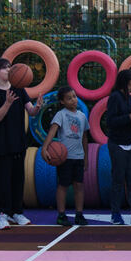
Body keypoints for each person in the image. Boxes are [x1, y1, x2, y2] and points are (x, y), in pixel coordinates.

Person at [0, 58, 40, 228]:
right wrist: (7, 103)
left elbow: (31, 111)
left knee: (18, 179)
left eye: (9, 67)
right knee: (2, 180)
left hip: (18, 142)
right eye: (4, 68)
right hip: (2, 143)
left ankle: (17, 212)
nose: (8, 70)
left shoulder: (19, 89)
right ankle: (2, 214)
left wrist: (38, 107)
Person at [41, 86, 88, 226]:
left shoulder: (82, 116)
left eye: (74, 96)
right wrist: (45, 148)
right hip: (64, 158)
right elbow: (52, 131)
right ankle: (61, 214)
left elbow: (85, 138)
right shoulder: (60, 115)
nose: (73, 100)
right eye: (69, 98)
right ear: (62, 102)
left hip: (78, 157)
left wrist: (86, 158)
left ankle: (79, 214)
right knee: (63, 185)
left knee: (79, 185)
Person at [102, 68, 131, 226]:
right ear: (128, 82)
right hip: (117, 144)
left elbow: (129, 119)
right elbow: (110, 121)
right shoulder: (115, 97)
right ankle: (115, 214)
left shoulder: (128, 98)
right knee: (118, 180)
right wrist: (130, 116)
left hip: (130, 142)